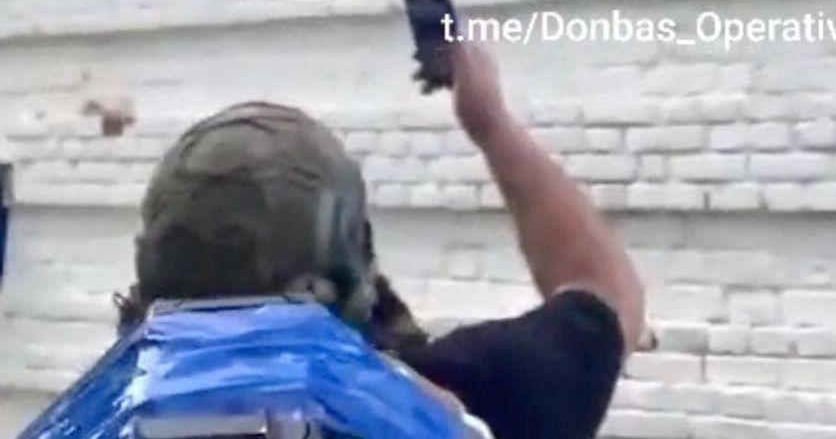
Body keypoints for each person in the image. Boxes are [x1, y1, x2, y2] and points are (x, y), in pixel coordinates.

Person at [117, 42, 650, 439]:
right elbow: (603, 288)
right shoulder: (466, 397)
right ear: (352, 278)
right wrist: (489, 122)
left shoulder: (100, 416)